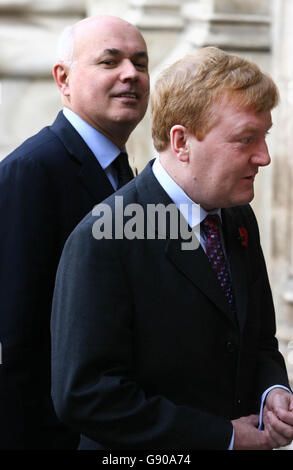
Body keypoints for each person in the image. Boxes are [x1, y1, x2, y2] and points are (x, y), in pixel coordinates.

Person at [50, 47, 293, 450]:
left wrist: (272, 393)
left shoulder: (236, 217)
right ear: (181, 141)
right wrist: (225, 437)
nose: (263, 157)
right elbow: (86, 396)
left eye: (264, 136)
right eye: (245, 139)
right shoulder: (104, 236)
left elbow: (260, 340)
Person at [0, 15, 149, 450]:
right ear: (63, 79)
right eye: (110, 61)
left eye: (140, 63)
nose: (131, 75)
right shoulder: (31, 173)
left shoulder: (124, 171)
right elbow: (16, 337)